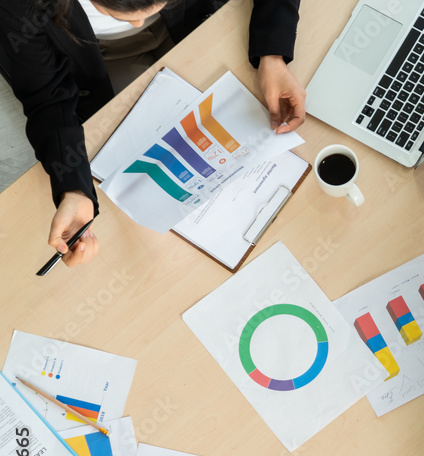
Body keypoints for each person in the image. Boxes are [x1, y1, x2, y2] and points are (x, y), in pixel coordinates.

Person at [0, 0, 307, 268]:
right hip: (92, 57)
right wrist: (74, 189)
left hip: (194, 19)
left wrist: (272, 53)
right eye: (121, 11)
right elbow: (47, 96)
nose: (138, 21)